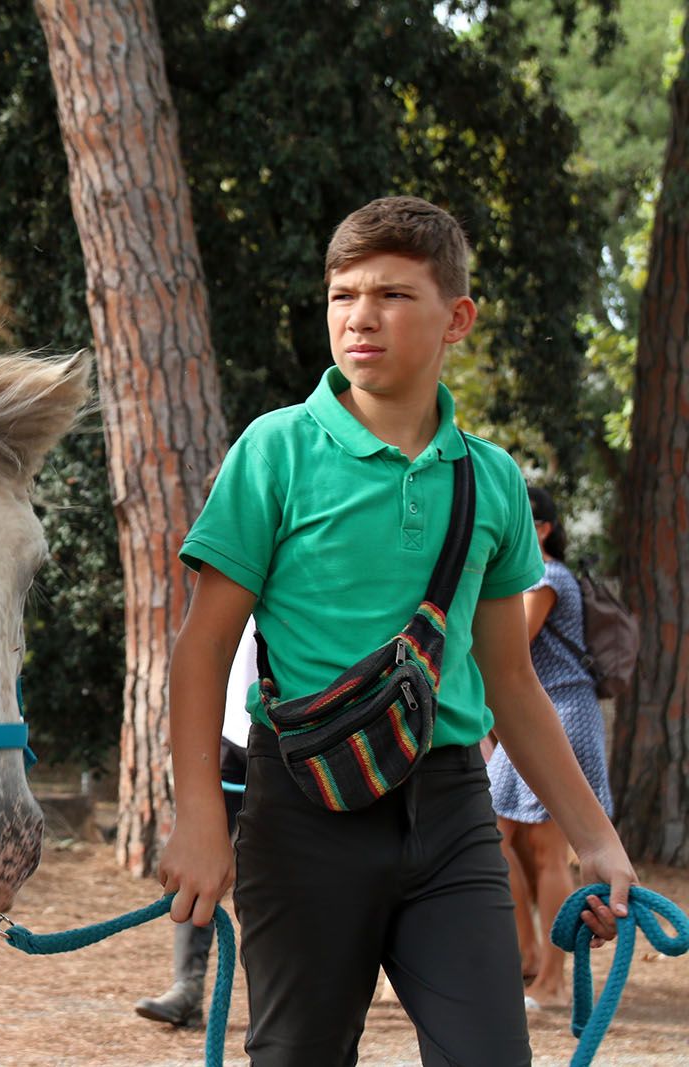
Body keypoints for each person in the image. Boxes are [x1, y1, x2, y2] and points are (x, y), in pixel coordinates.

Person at [157, 195, 637, 1065]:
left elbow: (512, 685)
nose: (359, 317)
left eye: (390, 294)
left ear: (457, 318)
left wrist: (595, 839)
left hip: (452, 807)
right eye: (342, 295)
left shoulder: (491, 481)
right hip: (301, 809)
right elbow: (201, 651)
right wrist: (198, 815)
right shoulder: (275, 451)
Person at [487, 485, 614, 1012]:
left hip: (562, 715)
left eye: (524, 517)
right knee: (496, 838)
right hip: (528, 719)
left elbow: (512, 640)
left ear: (542, 528)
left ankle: (554, 982)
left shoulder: (549, 575)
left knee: (546, 849)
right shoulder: (518, 576)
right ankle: (526, 956)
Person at [134, 619, 252, 1028]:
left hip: (295, 731)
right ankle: (187, 988)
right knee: (197, 870)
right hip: (225, 732)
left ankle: (274, 997)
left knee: (273, 877)